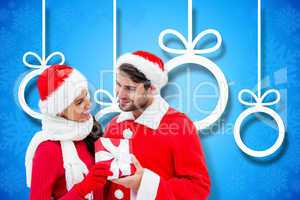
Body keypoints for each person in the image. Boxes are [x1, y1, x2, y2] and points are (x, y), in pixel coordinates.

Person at [103, 51, 211, 199]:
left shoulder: (179, 125)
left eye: (130, 88)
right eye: (118, 84)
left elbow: (198, 187)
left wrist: (144, 184)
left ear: (152, 89)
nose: (120, 94)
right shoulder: (114, 125)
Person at [25, 65, 112, 200]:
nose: (88, 104)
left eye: (86, 95)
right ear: (59, 111)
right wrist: (83, 188)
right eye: (79, 102)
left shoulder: (90, 131)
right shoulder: (48, 150)